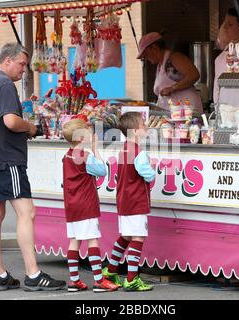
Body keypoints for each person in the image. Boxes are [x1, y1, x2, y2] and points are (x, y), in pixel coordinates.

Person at [0, 42, 66, 292]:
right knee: (27, 212)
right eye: (22, 64)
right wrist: (31, 127)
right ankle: (33, 274)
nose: (24, 70)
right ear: (7, 61)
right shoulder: (3, 84)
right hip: (6, 160)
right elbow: (11, 121)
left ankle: (0, 275)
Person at [61, 118, 118, 293]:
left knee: (74, 240)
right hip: (86, 204)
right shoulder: (85, 157)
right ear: (80, 138)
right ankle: (99, 281)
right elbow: (102, 170)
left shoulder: (67, 155)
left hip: (71, 204)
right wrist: (95, 149)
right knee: (92, 239)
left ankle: (74, 280)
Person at [102, 112, 156, 291]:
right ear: (135, 131)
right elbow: (146, 173)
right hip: (136, 200)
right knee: (138, 237)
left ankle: (110, 270)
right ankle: (132, 278)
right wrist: (152, 170)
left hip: (124, 199)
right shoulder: (139, 153)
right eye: (143, 125)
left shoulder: (123, 149)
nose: (146, 127)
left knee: (126, 236)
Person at [137, 32, 202, 113]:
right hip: (174, 113)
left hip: (187, 113)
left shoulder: (174, 58)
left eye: (146, 54)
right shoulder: (160, 65)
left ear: (154, 48)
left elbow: (194, 75)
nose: (146, 58)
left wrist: (173, 88)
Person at [214, 6, 239, 106]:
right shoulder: (231, 45)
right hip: (225, 104)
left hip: (236, 106)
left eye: (230, 24)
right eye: (225, 23)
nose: (225, 27)